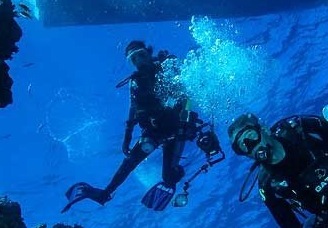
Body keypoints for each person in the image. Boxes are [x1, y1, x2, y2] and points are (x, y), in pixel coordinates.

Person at [63, 41, 222, 212]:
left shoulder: (166, 67)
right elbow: (132, 109)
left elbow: (187, 93)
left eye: (141, 55)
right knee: (131, 161)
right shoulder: (135, 82)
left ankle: (174, 175)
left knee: (169, 178)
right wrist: (127, 138)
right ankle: (104, 194)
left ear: (148, 53)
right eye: (133, 59)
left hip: (177, 128)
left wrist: (187, 118)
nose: (139, 61)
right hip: (153, 131)